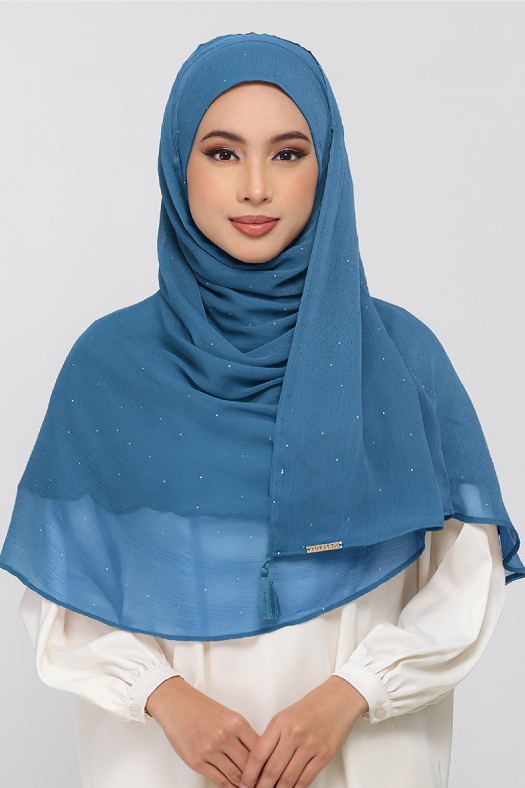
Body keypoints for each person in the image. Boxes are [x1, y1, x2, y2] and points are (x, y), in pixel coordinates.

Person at [1, 32, 523, 788]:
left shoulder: (398, 355)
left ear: (326, 167)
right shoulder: (110, 365)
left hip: (362, 756)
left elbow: (467, 574)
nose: (255, 188)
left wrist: (353, 693)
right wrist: (163, 696)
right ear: (178, 164)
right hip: (166, 762)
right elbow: (64, 587)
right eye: (222, 153)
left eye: (287, 154)